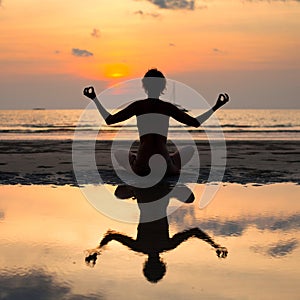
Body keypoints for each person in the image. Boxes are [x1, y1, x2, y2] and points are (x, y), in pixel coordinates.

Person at [83, 68, 229, 176]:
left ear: (145, 86)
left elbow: (109, 120)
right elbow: (196, 122)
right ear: (162, 87)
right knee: (189, 150)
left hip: (142, 168)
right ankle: (171, 163)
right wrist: (216, 106)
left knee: (119, 153)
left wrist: (94, 98)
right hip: (165, 167)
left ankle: (135, 164)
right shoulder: (167, 107)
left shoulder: (138, 105)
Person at [85, 182, 228, 283]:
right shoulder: (141, 246)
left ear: (163, 265)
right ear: (145, 265)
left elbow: (195, 232)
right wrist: (97, 250)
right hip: (146, 191)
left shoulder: (166, 245)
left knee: (189, 198)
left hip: (159, 191)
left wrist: (215, 245)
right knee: (120, 193)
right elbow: (112, 235)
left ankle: (160, 181)